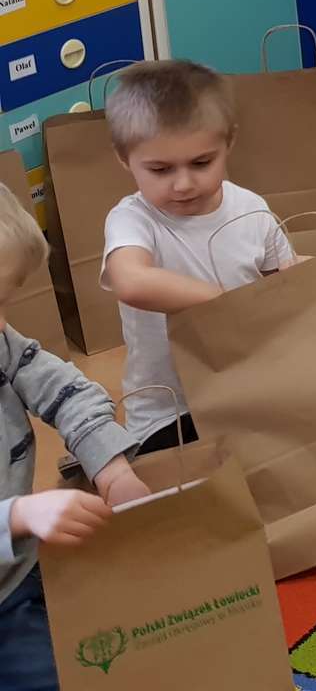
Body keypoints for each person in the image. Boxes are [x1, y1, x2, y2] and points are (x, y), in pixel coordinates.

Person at [100, 61, 297, 454]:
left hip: (251, 387)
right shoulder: (132, 220)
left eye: (201, 163)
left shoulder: (251, 208)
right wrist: (223, 303)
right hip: (169, 412)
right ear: (124, 158)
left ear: (229, 142)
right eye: (160, 169)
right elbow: (131, 281)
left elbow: (286, 281)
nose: (184, 184)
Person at [0, 185, 149, 690]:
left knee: (143, 630)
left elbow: (65, 390)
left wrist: (111, 467)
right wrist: (19, 515)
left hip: (23, 570)